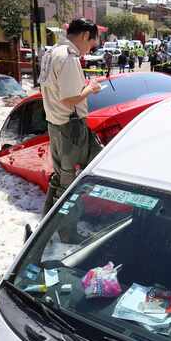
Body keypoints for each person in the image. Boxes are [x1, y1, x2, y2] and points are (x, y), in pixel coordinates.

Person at [38, 18, 104, 215]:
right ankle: (66, 231)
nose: (89, 50)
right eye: (91, 44)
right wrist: (90, 88)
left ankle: (46, 223)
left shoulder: (50, 54)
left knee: (61, 178)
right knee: (71, 183)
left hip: (56, 125)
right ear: (84, 36)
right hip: (71, 128)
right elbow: (70, 99)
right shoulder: (68, 57)